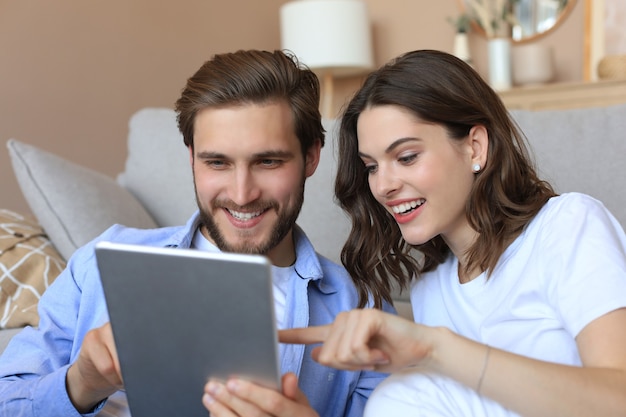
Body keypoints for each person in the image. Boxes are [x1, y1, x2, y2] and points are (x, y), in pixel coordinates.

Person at [0, 49, 394, 417]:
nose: (242, 194)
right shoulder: (100, 263)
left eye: (268, 161)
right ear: (191, 157)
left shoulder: (360, 308)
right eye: (217, 162)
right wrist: (80, 383)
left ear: (311, 156)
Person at [280, 49, 626, 416]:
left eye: (407, 157)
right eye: (371, 167)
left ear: (475, 147)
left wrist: (437, 349)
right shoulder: (431, 290)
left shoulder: (568, 226)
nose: (383, 186)